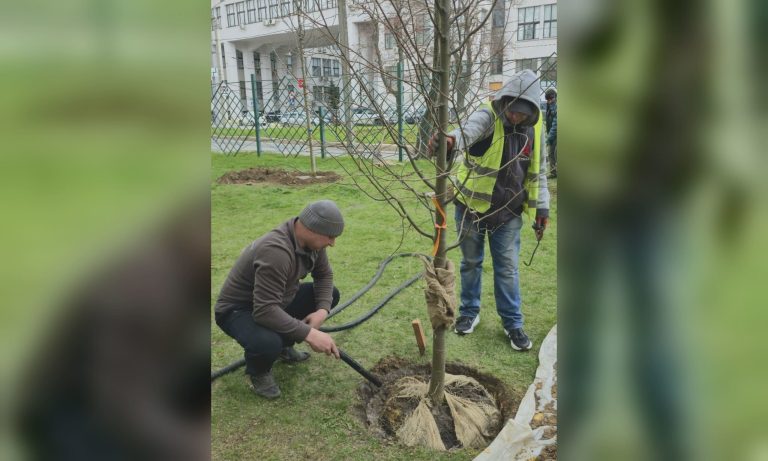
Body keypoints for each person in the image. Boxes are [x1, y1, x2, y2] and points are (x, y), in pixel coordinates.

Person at [429, 69, 550, 351]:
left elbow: (539, 171)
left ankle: (513, 323)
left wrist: (542, 208)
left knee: (507, 269)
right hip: (471, 207)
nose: (514, 116)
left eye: (521, 113)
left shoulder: (535, 128)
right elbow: (467, 132)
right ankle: (469, 313)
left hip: (508, 213)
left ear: (531, 111)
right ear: (504, 101)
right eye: (511, 109)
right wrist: (450, 141)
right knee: (470, 263)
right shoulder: (488, 115)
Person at [214, 200, 343, 398]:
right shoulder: (276, 252)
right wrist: (309, 334)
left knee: (329, 294)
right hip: (238, 310)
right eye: (330, 237)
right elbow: (264, 311)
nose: (332, 243)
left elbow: (324, 276)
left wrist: (322, 311)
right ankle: (259, 372)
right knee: (268, 343)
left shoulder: (314, 244)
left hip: (275, 301)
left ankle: (284, 346)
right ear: (311, 229)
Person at [544, 88, 558, 178]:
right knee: (550, 153)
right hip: (552, 134)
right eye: (548, 100)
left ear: (555, 97)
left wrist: (549, 137)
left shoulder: (557, 106)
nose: (549, 101)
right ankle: (553, 172)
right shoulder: (549, 106)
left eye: (551, 99)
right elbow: (549, 121)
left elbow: (556, 123)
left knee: (557, 153)